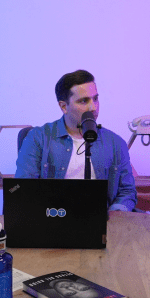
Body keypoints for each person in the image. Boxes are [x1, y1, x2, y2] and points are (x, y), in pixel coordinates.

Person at [15, 70, 138, 211]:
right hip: (53, 219)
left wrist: (115, 215)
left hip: (103, 223)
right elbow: (24, 189)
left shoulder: (115, 143)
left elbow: (127, 191)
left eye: (95, 99)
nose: (93, 107)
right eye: (84, 101)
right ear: (63, 106)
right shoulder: (37, 138)